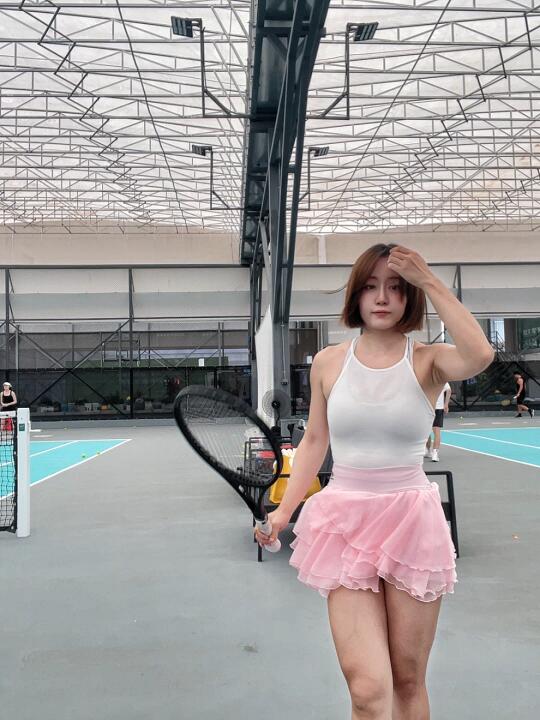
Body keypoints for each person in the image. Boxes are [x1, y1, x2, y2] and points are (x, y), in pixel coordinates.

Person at [255, 244, 494, 720]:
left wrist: (430, 279)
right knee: (366, 689)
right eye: (370, 286)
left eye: (395, 287)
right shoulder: (328, 362)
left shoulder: (428, 360)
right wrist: (283, 511)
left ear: (410, 296)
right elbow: (315, 441)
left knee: (407, 680)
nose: (381, 297)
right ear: (356, 296)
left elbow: (481, 353)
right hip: (344, 522)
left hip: (411, 522)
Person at [424, 382, 451, 462]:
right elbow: (449, 390)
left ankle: (430, 451)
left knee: (429, 431)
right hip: (436, 408)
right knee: (435, 431)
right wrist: (446, 404)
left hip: (430, 407)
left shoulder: (427, 378)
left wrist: (446, 404)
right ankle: (433, 453)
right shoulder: (441, 378)